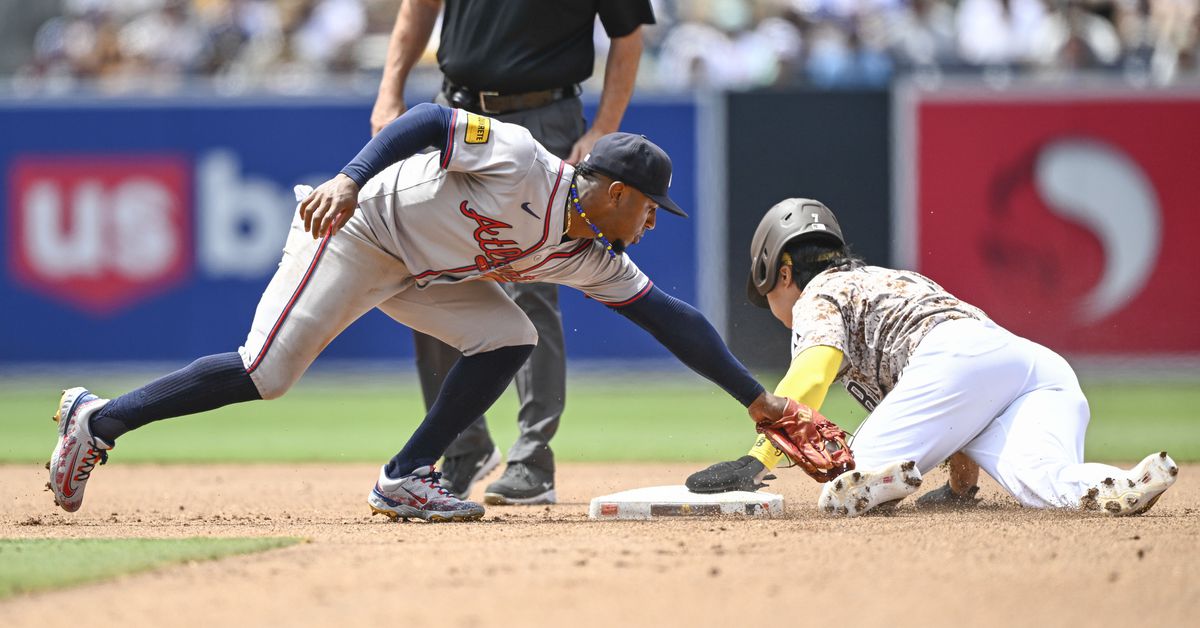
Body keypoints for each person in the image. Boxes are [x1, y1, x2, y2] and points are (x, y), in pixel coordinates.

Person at [47, 104, 792, 522]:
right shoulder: (524, 157)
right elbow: (429, 121)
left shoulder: (591, 253)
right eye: (651, 209)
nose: (653, 224)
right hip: (356, 232)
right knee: (267, 372)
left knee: (510, 334)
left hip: (423, 273)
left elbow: (671, 319)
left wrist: (759, 403)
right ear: (617, 192)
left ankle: (406, 475)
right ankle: (99, 420)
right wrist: (348, 178)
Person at [687, 198, 1178, 517]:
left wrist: (757, 459)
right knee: (1045, 479)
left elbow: (812, 374)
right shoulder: (891, 279)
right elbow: (958, 405)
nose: (771, 305)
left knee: (844, 487)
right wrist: (962, 488)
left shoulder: (819, 293)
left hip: (952, 359)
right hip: (1030, 363)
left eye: (767, 290)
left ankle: (882, 469)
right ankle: (1115, 483)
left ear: (784, 269)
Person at [368, 0, 655, 505]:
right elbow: (421, 5)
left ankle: (532, 460)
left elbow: (628, 34)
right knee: (426, 267)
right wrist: (389, 90)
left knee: (533, 287)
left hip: (546, 113)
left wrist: (603, 128)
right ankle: (462, 447)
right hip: (457, 107)